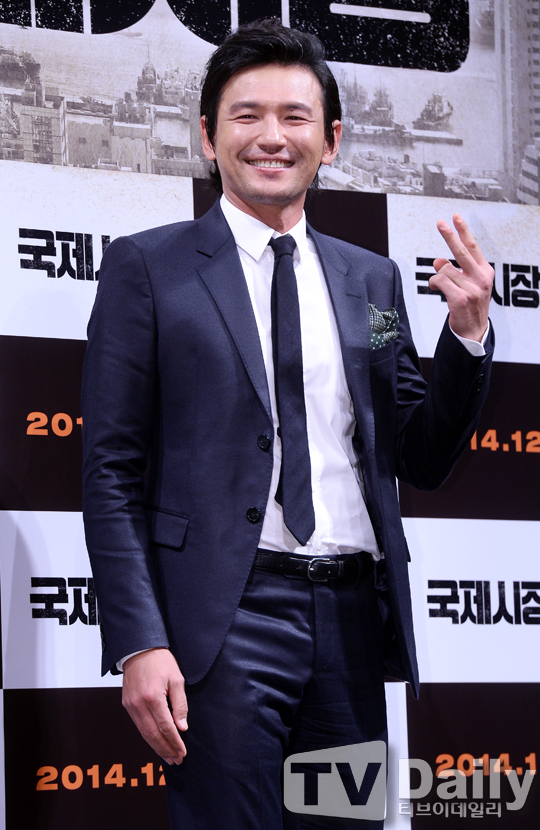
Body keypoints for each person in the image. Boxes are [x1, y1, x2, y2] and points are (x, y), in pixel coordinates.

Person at [81, 19, 494, 830]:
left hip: (351, 621)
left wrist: (468, 337)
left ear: (330, 140)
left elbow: (417, 450)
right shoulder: (149, 268)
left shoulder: (372, 284)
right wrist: (138, 640)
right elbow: (110, 470)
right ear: (208, 135)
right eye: (247, 115)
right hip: (225, 620)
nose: (272, 136)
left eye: (295, 117)